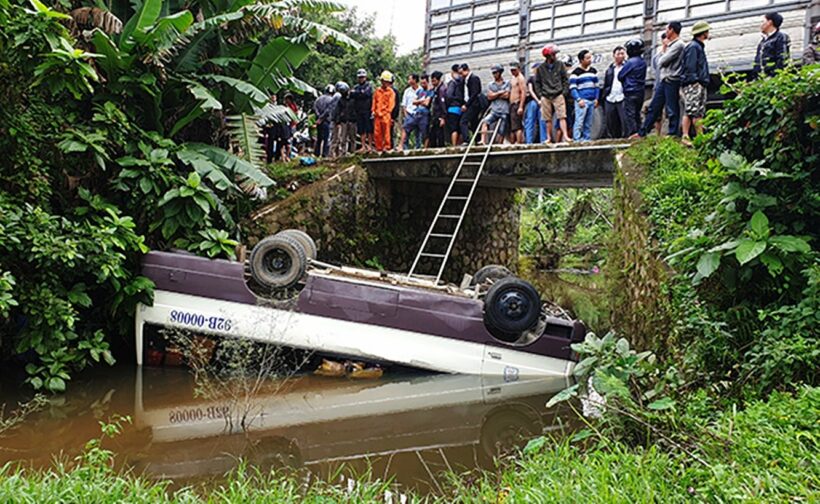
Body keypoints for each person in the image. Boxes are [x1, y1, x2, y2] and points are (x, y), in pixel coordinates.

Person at [637, 22, 684, 138]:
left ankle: (673, 133)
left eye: (667, 29)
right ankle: (643, 132)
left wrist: (664, 51)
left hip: (672, 79)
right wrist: (665, 49)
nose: (666, 32)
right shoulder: (670, 45)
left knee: (672, 108)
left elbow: (661, 61)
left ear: (672, 30)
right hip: (664, 80)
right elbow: (658, 61)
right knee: (654, 106)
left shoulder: (678, 45)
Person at [680, 21, 711, 144]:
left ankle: (698, 137)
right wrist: (695, 81)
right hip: (694, 83)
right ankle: (687, 136)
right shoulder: (694, 47)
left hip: (698, 82)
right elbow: (690, 66)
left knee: (696, 111)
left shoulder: (697, 46)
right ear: (703, 33)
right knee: (691, 110)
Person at [534, 44, 570, 143]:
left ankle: (566, 136)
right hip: (545, 95)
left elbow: (565, 79)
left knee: (562, 116)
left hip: (558, 94)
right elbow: (537, 82)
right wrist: (540, 95)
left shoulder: (560, 65)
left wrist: (564, 93)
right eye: (554, 54)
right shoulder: (541, 68)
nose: (555, 56)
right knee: (547, 119)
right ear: (548, 56)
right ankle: (548, 138)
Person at [619, 38, 647, 138]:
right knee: (637, 114)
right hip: (640, 91)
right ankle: (640, 133)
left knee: (630, 114)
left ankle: (633, 133)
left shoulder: (630, 62)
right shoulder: (642, 62)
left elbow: (620, 76)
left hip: (630, 91)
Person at [569, 49, 599, 142]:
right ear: (581, 60)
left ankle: (587, 138)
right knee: (579, 121)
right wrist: (578, 99)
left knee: (588, 122)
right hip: (582, 100)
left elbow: (597, 86)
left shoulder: (594, 71)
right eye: (587, 58)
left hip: (591, 100)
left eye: (590, 57)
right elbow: (573, 88)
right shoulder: (575, 73)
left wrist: (596, 98)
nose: (590, 60)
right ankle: (577, 139)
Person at [481, 64, 511, 144]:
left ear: (500, 72)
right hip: (494, 109)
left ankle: (500, 144)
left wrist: (495, 94)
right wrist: (500, 92)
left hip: (504, 110)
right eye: (493, 73)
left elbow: (507, 95)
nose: (494, 75)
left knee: (502, 130)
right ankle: (483, 141)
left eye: (496, 73)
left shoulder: (507, 83)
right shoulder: (490, 84)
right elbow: (489, 97)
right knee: (485, 122)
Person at [755, 12, 790, 77]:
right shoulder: (762, 41)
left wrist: (774, 76)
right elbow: (757, 61)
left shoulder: (781, 37)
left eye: (763, 22)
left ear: (769, 22)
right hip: (761, 79)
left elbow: (782, 59)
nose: (761, 25)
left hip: (773, 79)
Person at [602, 46, 626, 138]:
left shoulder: (626, 67)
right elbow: (606, 83)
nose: (620, 56)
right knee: (610, 121)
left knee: (623, 120)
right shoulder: (610, 69)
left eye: (622, 54)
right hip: (610, 97)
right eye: (618, 54)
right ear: (614, 55)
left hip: (622, 96)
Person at [372, 71, 396, 152]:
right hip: (377, 115)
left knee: (386, 132)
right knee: (377, 133)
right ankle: (378, 148)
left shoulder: (391, 92)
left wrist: (385, 112)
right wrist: (373, 111)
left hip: (385, 115)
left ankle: (387, 147)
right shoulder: (377, 91)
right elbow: (374, 101)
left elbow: (391, 104)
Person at [350, 69, 373, 152]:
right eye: (360, 77)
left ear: (365, 77)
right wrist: (359, 93)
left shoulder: (369, 86)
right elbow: (352, 94)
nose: (361, 79)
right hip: (358, 111)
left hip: (367, 110)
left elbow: (366, 94)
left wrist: (358, 93)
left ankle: (370, 146)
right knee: (361, 129)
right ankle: (363, 146)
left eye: (362, 77)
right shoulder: (356, 87)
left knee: (369, 129)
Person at [459, 63, 483, 144]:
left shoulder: (474, 78)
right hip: (468, 103)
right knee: (473, 123)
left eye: (462, 73)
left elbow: (474, 93)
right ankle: (477, 140)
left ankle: (467, 140)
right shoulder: (464, 80)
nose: (461, 75)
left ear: (467, 70)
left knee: (463, 121)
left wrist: (466, 105)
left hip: (473, 104)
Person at [330, 81, 355, 157]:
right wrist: (337, 121)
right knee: (343, 138)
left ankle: (352, 153)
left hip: (352, 120)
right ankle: (343, 154)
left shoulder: (353, 98)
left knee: (352, 138)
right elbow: (337, 111)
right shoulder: (341, 99)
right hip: (344, 121)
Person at [524, 62, 547, 143]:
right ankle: (543, 140)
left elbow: (531, 91)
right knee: (542, 121)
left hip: (534, 102)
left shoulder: (531, 78)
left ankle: (529, 142)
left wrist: (538, 100)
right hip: (539, 101)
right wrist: (540, 101)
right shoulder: (543, 79)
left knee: (531, 121)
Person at [398, 73, 420, 150]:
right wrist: (406, 115)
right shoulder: (407, 91)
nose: (408, 81)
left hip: (418, 113)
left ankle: (418, 148)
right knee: (405, 130)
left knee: (418, 133)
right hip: (409, 113)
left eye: (410, 79)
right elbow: (404, 104)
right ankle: (403, 147)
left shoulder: (421, 90)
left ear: (414, 80)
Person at [445, 64, 465, 145]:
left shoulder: (452, 83)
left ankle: (454, 146)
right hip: (461, 108)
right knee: (459, 129)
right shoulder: (462, 82)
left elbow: (448, 95)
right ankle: (460, 145)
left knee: (454, 129)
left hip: (452, 108)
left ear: (453, 72)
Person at [508, 61, 527, 144]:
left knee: (517, 126)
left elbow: (523, 92)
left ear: (518, 69)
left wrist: (521, 106)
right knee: (513, 126)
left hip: (517, 103)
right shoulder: (513, 78)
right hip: (512, 104)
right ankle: (514, 142)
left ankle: (519, 143)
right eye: (511, 70)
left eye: (514, 70)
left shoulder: (520, 78)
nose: (513, 72)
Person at [313, 85, 334, 157]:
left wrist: (319, 118)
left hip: (318, 121)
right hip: (326, 121)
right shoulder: (331, 99)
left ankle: (316, 153)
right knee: (326, 139)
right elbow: (328, 111)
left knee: (319, 138)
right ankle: (325, 154)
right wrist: (322, 118)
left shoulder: (318, 99)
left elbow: (315, 108)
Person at [429, 71, 447, 148]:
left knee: (439, 134)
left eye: (434, 81)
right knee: (433, 133)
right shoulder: (435, 89)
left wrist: (443, 117)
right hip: (435, 115)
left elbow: (442, 104)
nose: (432, 83)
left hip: (439, 115)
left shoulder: (441, 90)